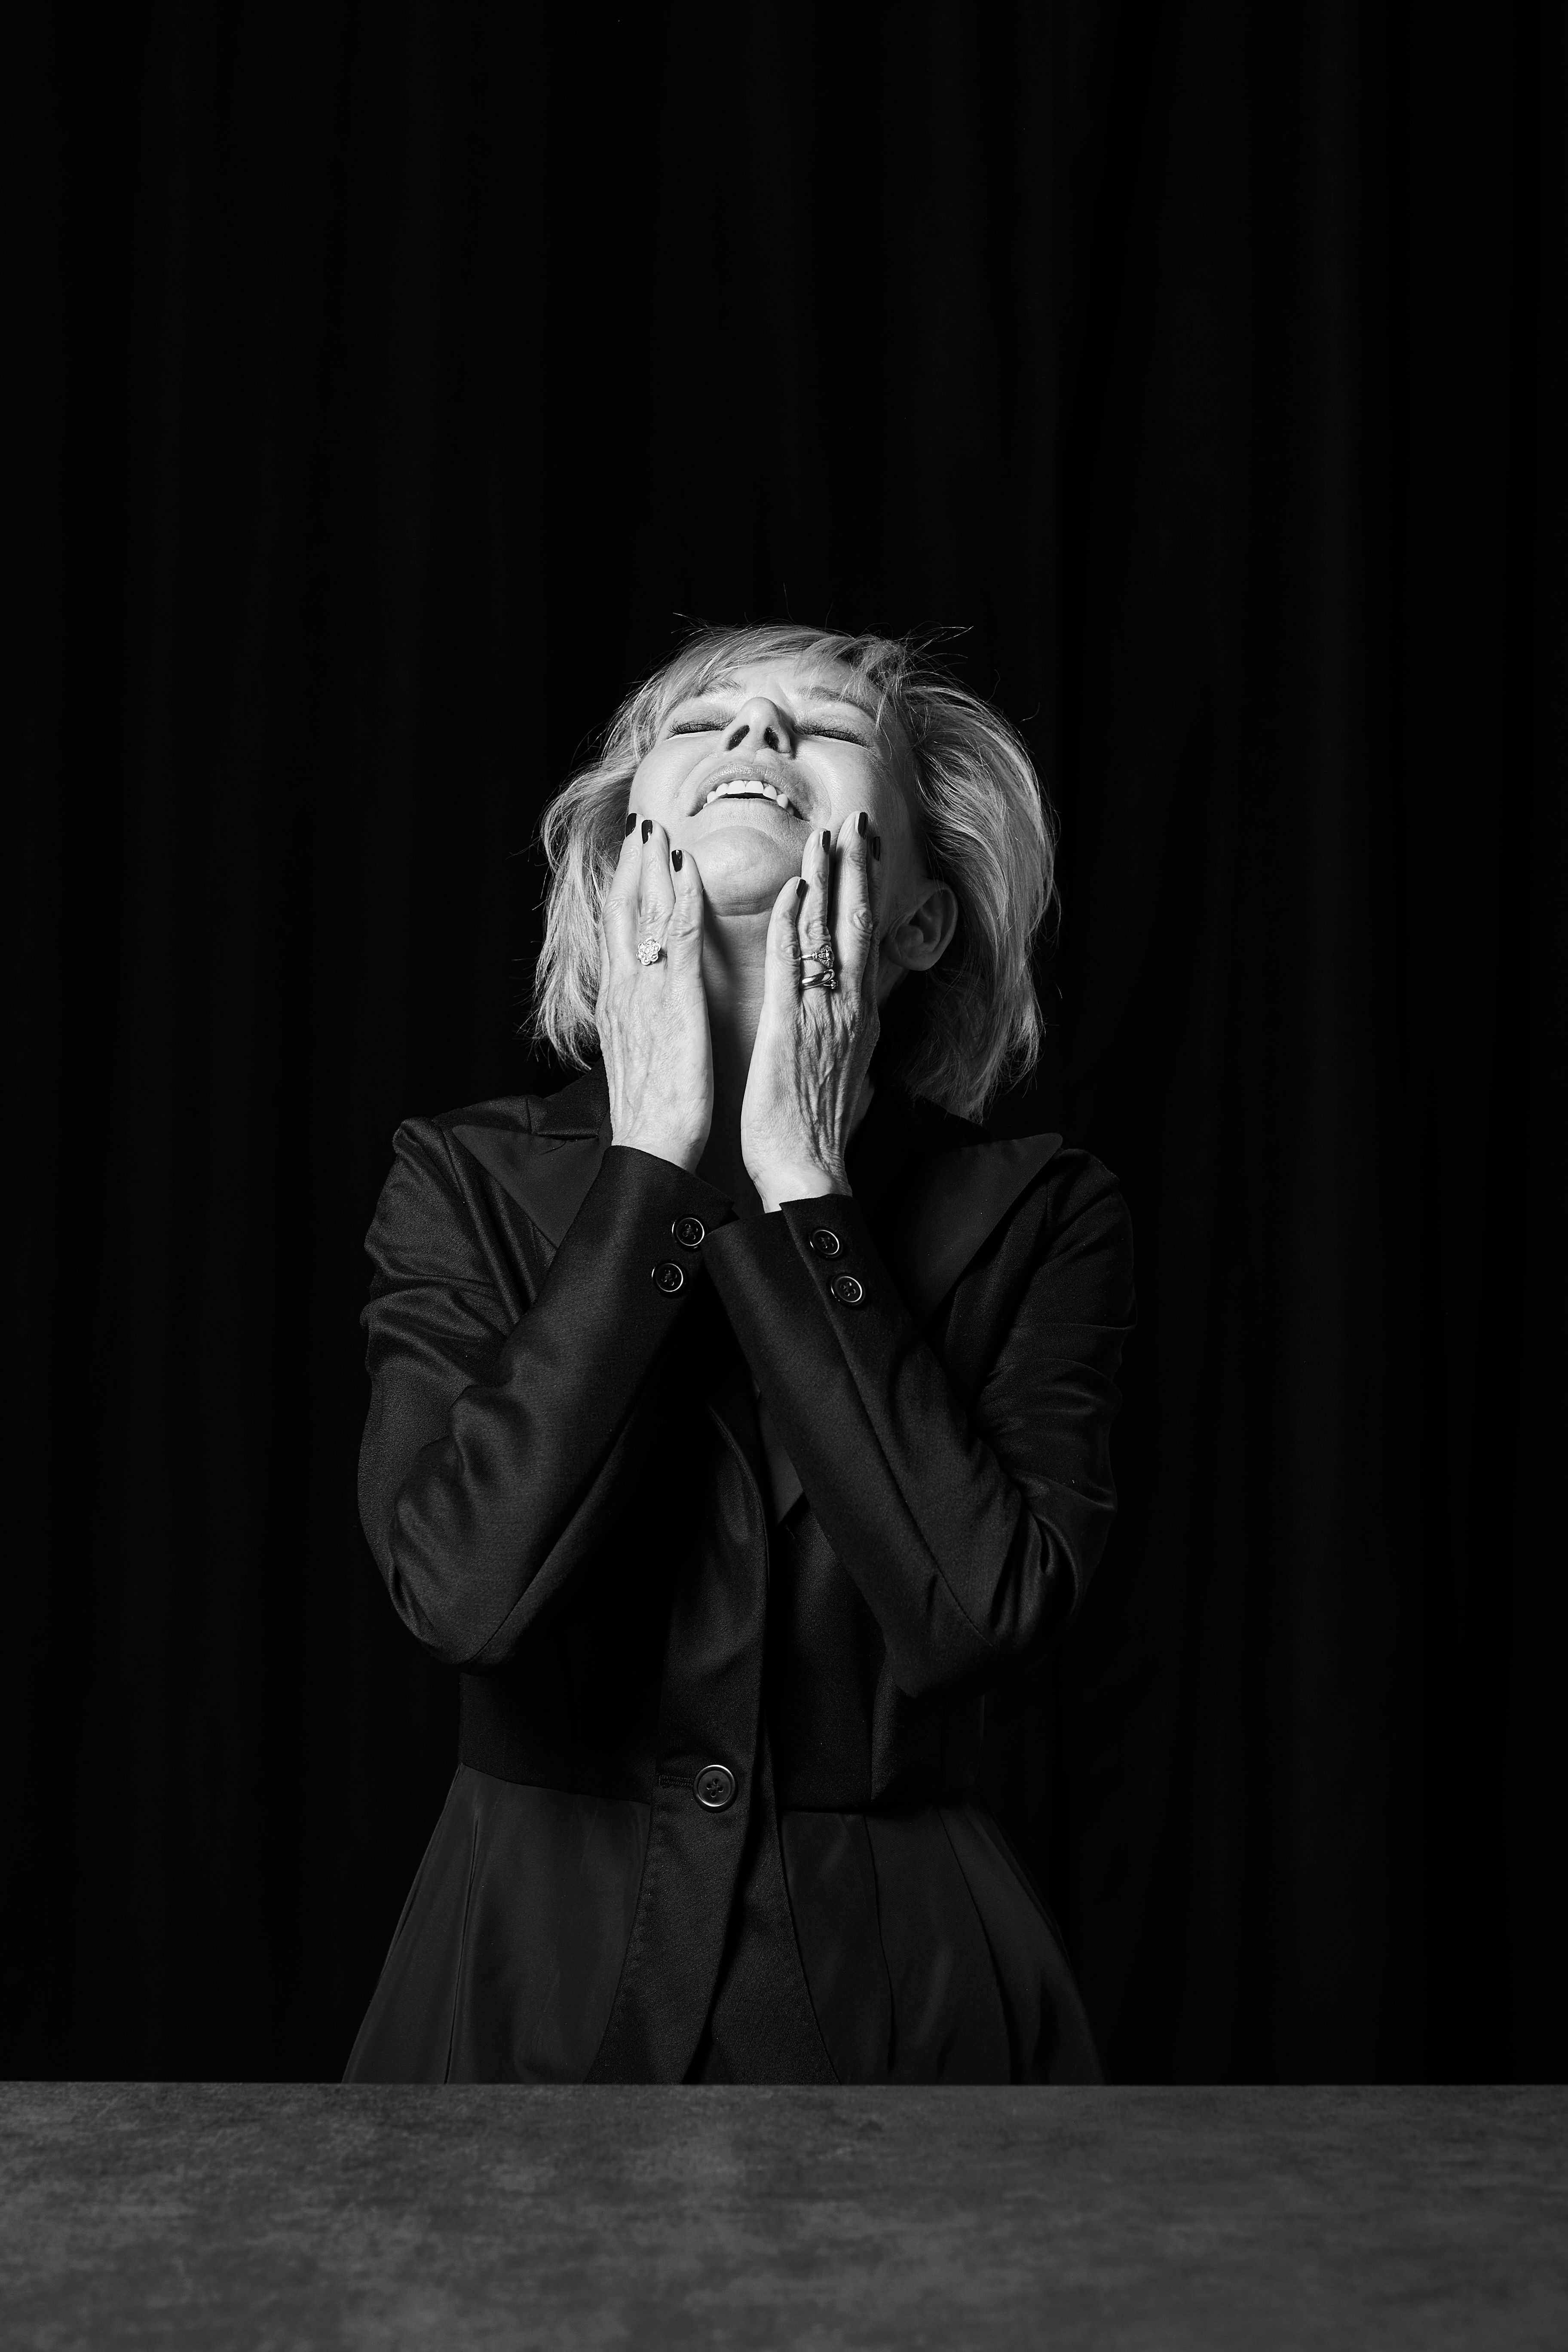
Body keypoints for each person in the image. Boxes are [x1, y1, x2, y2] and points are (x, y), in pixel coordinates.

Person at [344, 621, 1134, 2084]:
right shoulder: (458, 1180)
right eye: (704, 723)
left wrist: (804, 1185)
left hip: (908, 1999)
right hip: (520, 1979)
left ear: (921, 921)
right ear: (620, 861)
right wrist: (652, 1160)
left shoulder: (1041, 1212)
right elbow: (462, 1594)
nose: (758, 738)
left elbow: (979, 1613)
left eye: (824, 728)